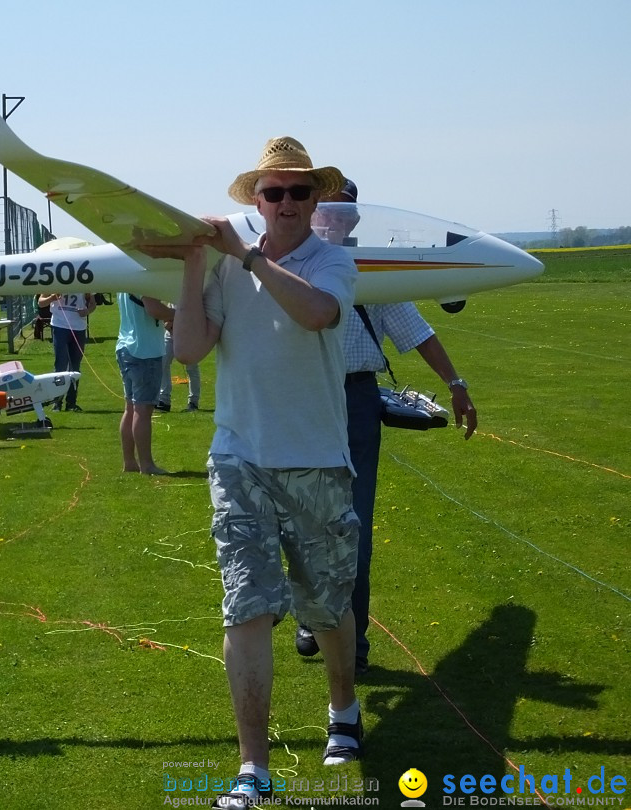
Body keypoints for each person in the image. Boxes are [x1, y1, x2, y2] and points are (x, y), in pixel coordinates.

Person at [149, 135, 362, 804]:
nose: (289, 202)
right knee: (246, 608)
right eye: (276, 192)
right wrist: (192, 264)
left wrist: (244, 255)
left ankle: (344, 711)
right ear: (259, 200)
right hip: (239, 457)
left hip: (317, 456)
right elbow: (189, 349)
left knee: (326, 607)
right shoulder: (224, 268)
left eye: (302, 191)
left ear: (315, 199)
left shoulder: (331, 261)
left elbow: (318, 314)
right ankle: (254, 768)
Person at [294, 179, 478, 676]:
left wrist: (455, 383)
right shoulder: (291, 264)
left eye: (344, 213)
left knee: (355, 527)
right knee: (304, 519)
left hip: (356, 400)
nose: (333, 219)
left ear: (355, 220)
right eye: (326, 210)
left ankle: (354, 651)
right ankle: (311, 619)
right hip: (299, 398)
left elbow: (415, 329)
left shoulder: (368, 268)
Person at [115, 292, 173, 475]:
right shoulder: (141, 281)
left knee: (130, 408)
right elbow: (153, 309)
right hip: (144, 351)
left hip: (126, 347)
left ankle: (130, 462)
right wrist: (177, 314)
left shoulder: (123, 282)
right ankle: (147, 465)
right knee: (143, 410)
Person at [37, 292, 96, 411]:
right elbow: (41, 302)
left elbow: (93, 304)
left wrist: (87, 311)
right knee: (61, 364)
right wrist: (52, 298)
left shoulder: (83, 279)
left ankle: (71, 403)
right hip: (60, 326)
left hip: (79, 327)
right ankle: (57, 401)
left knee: (75, 367)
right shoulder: (56, 280)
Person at [156, 323, 201, 412]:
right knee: (163, 362)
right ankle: (164, 400)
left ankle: (193, 401)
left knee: (191, 367)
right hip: (171, 331)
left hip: (190, 333)